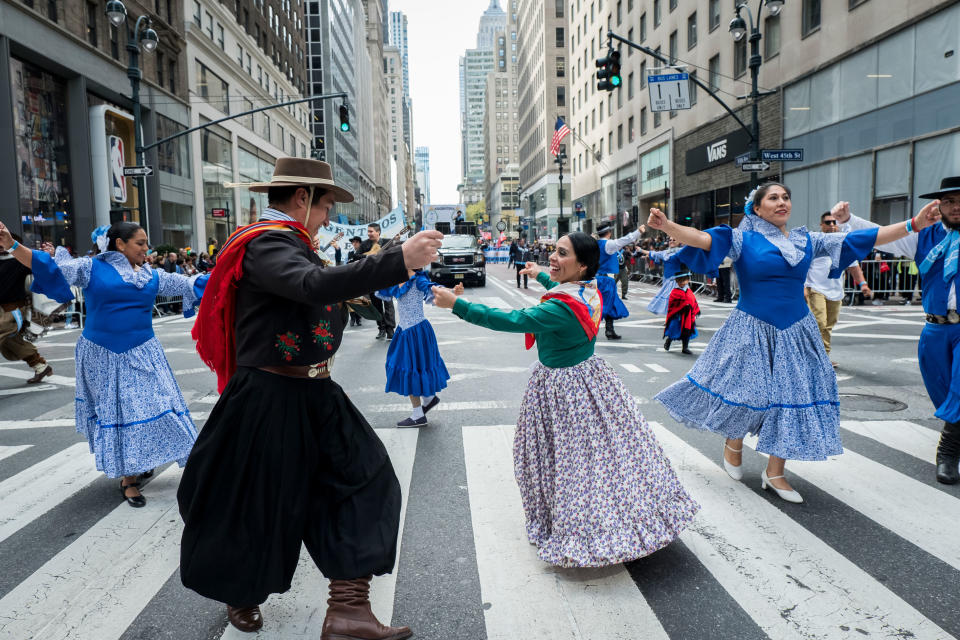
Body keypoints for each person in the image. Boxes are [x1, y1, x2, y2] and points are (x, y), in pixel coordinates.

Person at [178, 158, 442, 637]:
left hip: (314, 389)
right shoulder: (267, 242)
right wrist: (396, 258)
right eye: (324, 208)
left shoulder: (292, 243)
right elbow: (309, 286)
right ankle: (241, 590)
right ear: (302, 199)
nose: (326, 219)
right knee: (254, 502)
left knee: (366, 479)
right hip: (267, 396)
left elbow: (319, 293)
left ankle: (348, 611)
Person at [649, 182, 940, 503]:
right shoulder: (741, 238)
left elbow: (862, 238)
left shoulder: (807, 239)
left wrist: (914, 224)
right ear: (756, 208)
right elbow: (704, 240)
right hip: (751, 328)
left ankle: (775, 472)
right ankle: (733, 443)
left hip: (797, 331)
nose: (781, 202)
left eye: (786, 197)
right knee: (750, 391)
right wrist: (667, 225)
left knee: (792, 396)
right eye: (773, 198)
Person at [432, 233, 699, 568]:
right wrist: (540, 274)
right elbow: (564, 287)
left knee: (568, 460)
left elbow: (512, 320)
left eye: (561, 254)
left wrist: (457, 305)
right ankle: (631, 513)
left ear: (582, 264)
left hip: (563, 389)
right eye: (553, 252)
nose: (553, 258)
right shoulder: (592, 288)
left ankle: (587, 530)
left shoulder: (559, 308)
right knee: (604, 456)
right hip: (590, 379)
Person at [0, 221, 207, 508]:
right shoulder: (90, 268)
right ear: (120, 244)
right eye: (140, 242)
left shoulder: (151, 275)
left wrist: (236, 273)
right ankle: (128, 478)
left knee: (154, 406)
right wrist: (12, 244)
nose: (147, 248)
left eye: (147, 243)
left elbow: (191, 284)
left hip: (143, 352)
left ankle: (139, 460)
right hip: (102, 354)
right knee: (120, 411)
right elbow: (47, 267)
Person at [836, 179, 960, 484]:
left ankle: (948, 452)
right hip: (935, 329)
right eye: (949, 202)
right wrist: (848, 221)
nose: (956, 208)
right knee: (942, 392)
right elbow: (882, 237)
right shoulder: (923, 236)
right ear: (938, 206)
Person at [376, 269, 458, 427]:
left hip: (415, 331)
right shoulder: (396, 277)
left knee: (410, 368)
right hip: (405, 330)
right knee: (411, 366)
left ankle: (418, 414)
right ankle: (428, 398)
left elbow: (434, 288)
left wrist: (453, 291)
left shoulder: (418, 279)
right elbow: (377, 282)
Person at [804, 210, 873, 368]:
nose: (832, 225)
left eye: (835, 222)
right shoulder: (815, 242)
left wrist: (863, 284)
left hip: (835, 291)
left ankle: (824, 357)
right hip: (816, 288)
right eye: (828, 222)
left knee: (828, 325)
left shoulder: (843, 245)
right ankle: (815, 359)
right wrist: (804, 287)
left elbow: (854, 267)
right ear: (822, 225)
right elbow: (804, 266)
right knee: (819, 323)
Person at [0, 235, 54, 383]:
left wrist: (47, 254)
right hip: (3, 310)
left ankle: (40, 365)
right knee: (10, 341)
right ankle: (41, 366)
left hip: (13, 309)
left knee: (6, 337)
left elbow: (40, 264)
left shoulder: (19, 260)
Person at [596, 222, 645, 340]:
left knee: (610, 304)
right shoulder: (608, 244)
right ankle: (592, 330)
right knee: (604, 306)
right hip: (606, 279)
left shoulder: (595, 244)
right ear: (609, 232)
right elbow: (625, 240)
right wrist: (638, 231)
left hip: (599, 278)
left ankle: (609, 330)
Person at [361, 223, 397, 339]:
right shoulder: (365, 244)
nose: (369, 234)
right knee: (376, 305)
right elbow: (355, 256)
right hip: (372, 279)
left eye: (371, 231)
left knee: (388, 303)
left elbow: (395, 256)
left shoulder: (388, 242)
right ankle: (381, 327)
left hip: (386, 278)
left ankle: (390, 329)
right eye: (368, 231)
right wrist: (368, 256)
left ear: (378, 232)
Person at [663, 269, 699, 354]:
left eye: (684, 280)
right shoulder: (674, 292)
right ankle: (669, 341)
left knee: (687, 330)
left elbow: (693, 301)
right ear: (676, 281)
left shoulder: (689, 291)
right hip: (677, 316)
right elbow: (673, 304)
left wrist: (692, 310)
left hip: (688, 316)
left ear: (688, 280)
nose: (682, 283)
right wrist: (683, 306)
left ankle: (685, 347)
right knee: (674, 330)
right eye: (679, 281)